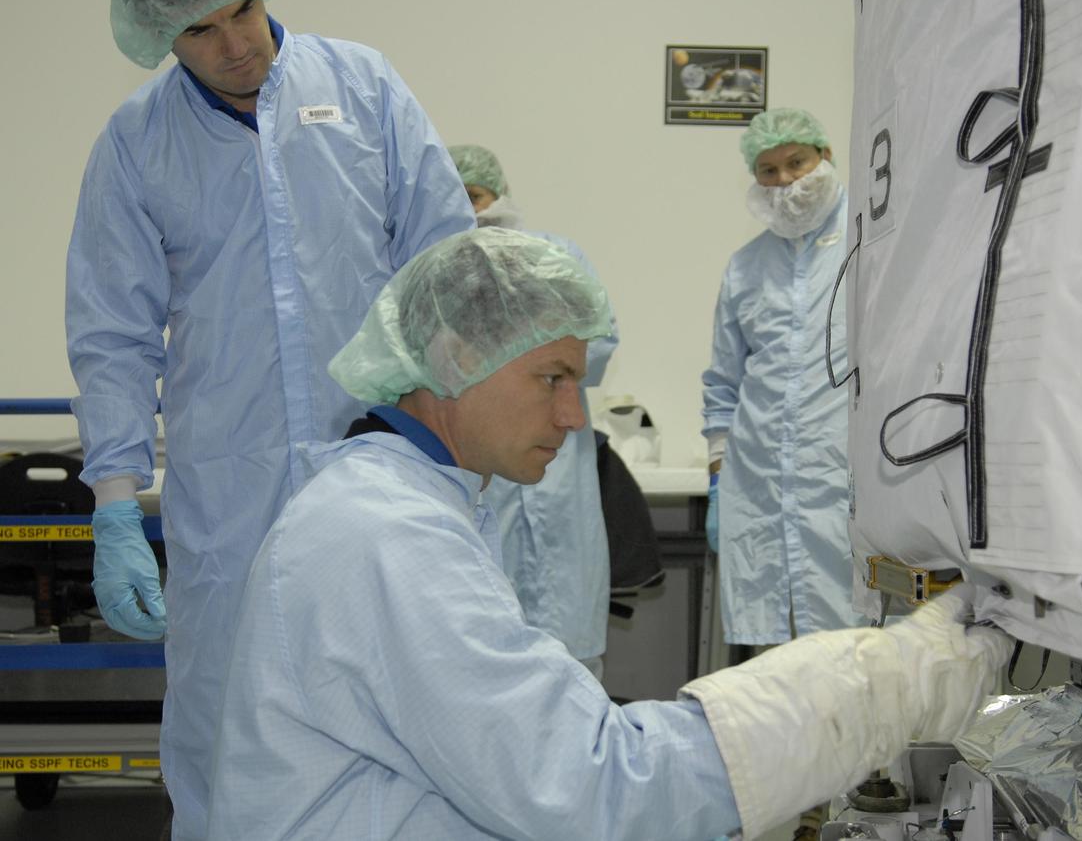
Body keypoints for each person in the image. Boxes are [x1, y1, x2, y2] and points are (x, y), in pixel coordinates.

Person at [206, 227, 1012, 841]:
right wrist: (887, 684)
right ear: (453, 357)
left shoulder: (398, 497)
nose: (573, 415)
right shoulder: (386, 536)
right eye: (552, 378)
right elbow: (594, 784)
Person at [64, 0, 473, 837]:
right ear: (157, 37)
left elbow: (445, 271)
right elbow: (112, 335)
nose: (234, 45)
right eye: (198, 30)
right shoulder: (137, 142)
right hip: (230, 489)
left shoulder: (363, 88)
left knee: (402, 706)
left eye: (241, 11)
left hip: (380, 468)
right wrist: (117, 504)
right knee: (220, 724)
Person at [701, 108, 862, 839]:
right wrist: (717, 471)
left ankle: (857, 806)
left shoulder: (869, 243)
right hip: (761, 483)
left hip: (844, 487)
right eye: (768, 170)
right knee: (777, 663)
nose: (784, 181)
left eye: (796, 163)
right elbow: (723, 383)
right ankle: (798, 811)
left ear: (825, 156)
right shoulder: (746, 266)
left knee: (852, 654)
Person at [449, 143, 617, 679]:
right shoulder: (437, 273)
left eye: (473, 194)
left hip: (558, 472)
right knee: (481, 652)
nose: (467, 208)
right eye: (452, 196)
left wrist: (514, 358)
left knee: (568, 658)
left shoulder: (555, 256)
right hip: (476, 475)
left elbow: (599, 343)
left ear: (498, 193)